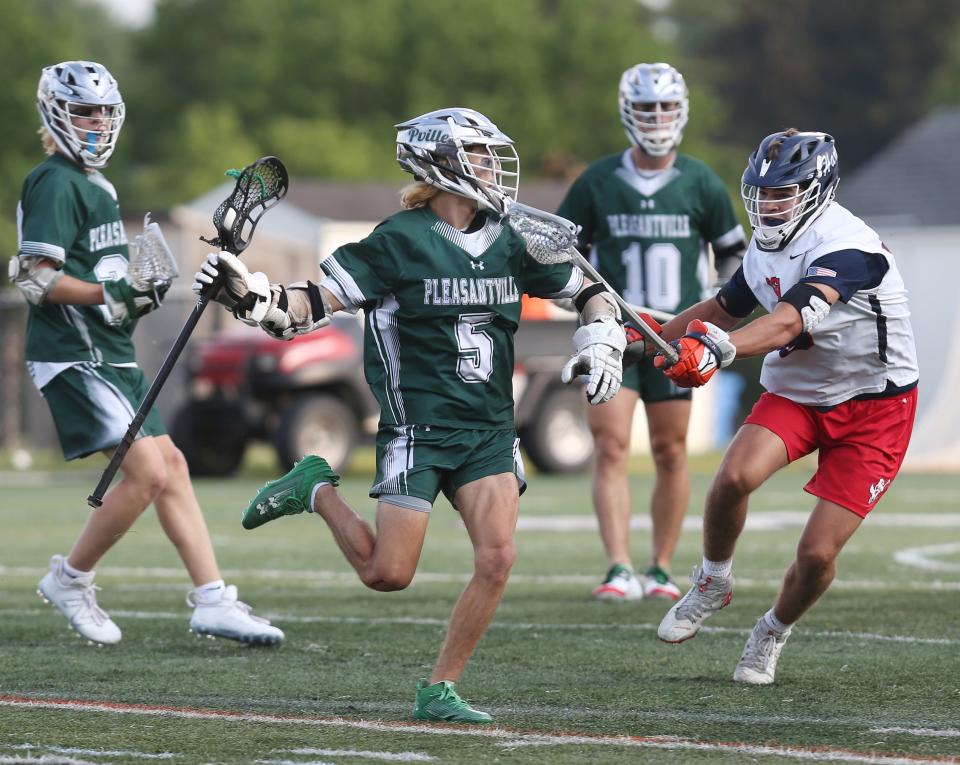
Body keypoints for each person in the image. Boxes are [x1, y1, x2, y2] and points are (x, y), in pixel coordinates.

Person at [192, 107, 628, 723]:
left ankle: (439, 688)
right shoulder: (399, 240)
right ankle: (314, 486)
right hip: (418, 431)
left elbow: (589, 290)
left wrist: (601, 335)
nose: (491, 168)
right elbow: (306, 308)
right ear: (440, 163)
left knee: (498, 559)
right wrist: (252, 297)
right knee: (386, 575)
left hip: (489, 431)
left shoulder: (510, 237)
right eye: (478, 155)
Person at [12, 60, 283, 647]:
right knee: (147, 472)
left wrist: (139, 291)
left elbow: (111, 289)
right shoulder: (54, 181)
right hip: (74, 353)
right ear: (56, 114)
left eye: (105, 111)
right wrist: (112, 291)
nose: (97, 122)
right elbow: (36, 280)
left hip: (109, 351)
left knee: (174, 468)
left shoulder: (100, 187)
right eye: (85, 110)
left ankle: (212, 599)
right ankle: (70, 577)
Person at [654, 129, 918, 684]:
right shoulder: (769, 241)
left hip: (875, 407)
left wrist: (717, 348)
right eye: (763, 193)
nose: (769, 205)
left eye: (784, 193)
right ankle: (713, 580)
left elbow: (788, 321)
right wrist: (643, 341)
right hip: (799, 391)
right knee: (732, 477)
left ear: (818, 189)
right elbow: (727, 305)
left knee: (818, 552)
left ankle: (771, 630)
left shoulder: (850, 247)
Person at [556, 63, 746, 602]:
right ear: (629, 112)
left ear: (679, 111)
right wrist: (585, 301)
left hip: (673, 337)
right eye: (646, 108)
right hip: (612, 332)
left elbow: (733, 253)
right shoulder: (596, 181)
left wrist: (715, 311)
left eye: (664, 107)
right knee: (611, 445)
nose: (656, 118)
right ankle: (618, 566)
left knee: (670, 450)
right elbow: (560, 254)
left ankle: (660, 566)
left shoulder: (700, 181)